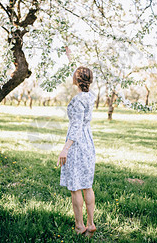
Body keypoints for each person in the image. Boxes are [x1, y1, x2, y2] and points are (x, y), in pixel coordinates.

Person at [57, 66, 97, 238]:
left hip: (77, 144)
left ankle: (80, 226)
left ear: (77, 80)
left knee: (76, 188)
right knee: (87, 185)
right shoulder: (90, 96)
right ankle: (91, 223)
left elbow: (76, 127)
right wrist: (70, 57)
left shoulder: (77, 101)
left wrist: (65, 148)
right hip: (88, 142)